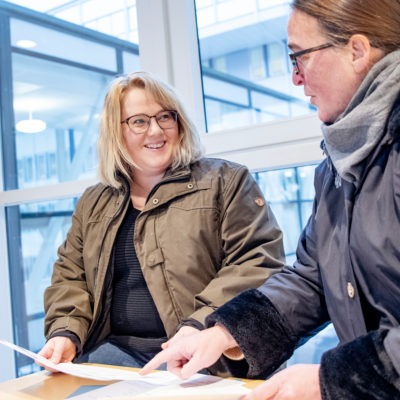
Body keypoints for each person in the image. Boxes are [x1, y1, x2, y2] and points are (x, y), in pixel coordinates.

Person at [140, 0, 400, 398]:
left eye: (299, 57)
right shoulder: (338, 164)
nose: (295, 79)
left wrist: (329, 381)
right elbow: (312, 278)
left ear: (357, 50)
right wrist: (225, 331)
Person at [37, 71, 285, 374]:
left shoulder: (226, 181)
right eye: (139, 121)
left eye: (165, 117)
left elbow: (256, 262)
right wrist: (66, 330)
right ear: (116, 132)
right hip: (115, 355)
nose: (155, 131)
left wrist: (201, 323)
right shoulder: (93, 202)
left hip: (204, 357)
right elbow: (70, 276)